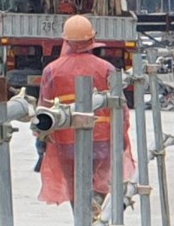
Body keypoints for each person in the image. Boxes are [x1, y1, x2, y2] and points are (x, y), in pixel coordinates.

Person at [36, 15, 133, 211]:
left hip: (66, 139)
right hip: (103, 136)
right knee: (101, 177)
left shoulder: (51, 70)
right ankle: (94, 209)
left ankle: (81, 220)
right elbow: (121, 107)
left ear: (66, 40)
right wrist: (121, 133)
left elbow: (43, 108)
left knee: (73, 181)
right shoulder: (106, 68)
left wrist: (41, 138)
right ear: (91, 40)